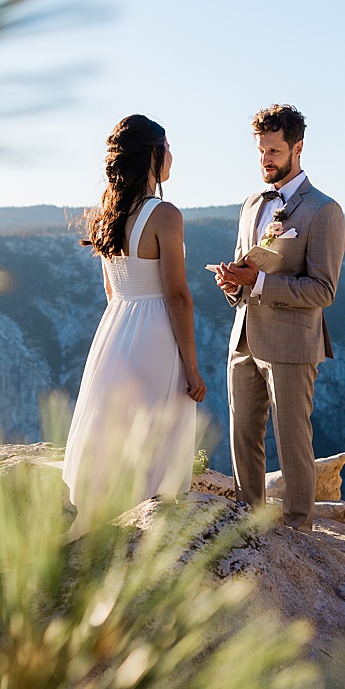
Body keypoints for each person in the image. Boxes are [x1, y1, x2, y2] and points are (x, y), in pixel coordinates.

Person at [61, 114, 207, 535]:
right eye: (168, 148)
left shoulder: (107, 213)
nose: (172, 157)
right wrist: (192, 368)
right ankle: (145, 533)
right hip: (156, 334)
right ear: (153, 155)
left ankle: (97, 524)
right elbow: (177, 296)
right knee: (154, 436)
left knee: (114, 432)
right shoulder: (165, 215)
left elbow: (111, 290)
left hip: (115, 331)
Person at [209, 104, 345, 531]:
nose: (265, 159)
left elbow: (323, 290)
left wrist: (262, 284)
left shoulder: (324, 210)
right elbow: (244, 268)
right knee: (242, 437)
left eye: (273, 150)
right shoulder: (252, 204)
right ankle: (250, 526)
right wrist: (233, 284)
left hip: (291, 344)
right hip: (244, 336)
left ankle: (299, 531)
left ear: (298, 148)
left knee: (292, 442)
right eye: (261, 151)